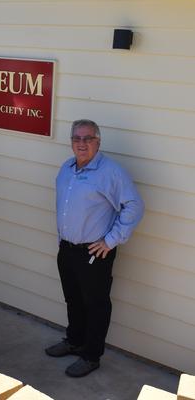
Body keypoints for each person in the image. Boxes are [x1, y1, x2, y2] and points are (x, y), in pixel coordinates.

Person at [45, 119, 144, 378]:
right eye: (76, 138)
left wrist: (110, 241)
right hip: (67, 249)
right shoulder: (66, 168)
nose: (81, 143)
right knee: (73, 299)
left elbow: (134, 205)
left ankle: (91, 355)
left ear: (98, 142)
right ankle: (74, 340)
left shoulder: (110, 171)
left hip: (94, 252)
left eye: (88, 138)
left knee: (96, 304)